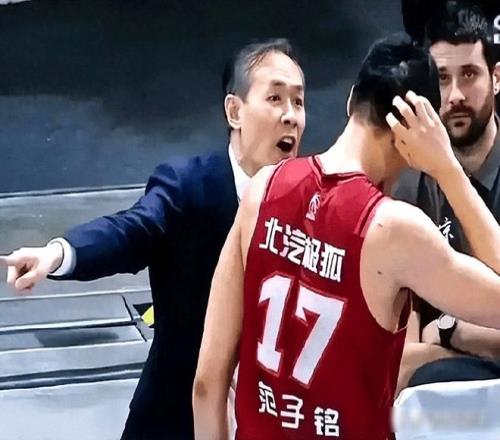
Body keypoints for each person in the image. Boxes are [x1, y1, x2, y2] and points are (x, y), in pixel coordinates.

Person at [192, 34, 500, 440]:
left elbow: (206, 385)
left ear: (351, 98)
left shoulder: (262, 189)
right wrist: (448, 169)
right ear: (418, 131)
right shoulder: (395, 230)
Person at [0, 38, 306, 439]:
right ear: (234, 111)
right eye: (275, 98)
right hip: (174, 417)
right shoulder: (187, 185)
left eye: (298, 102)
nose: (291, 116)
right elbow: (132, 229)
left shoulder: (308, 201)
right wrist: (58, 253)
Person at [395, 2, 500, 394]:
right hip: (440, 388)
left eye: (469, 74)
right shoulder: (409, 185)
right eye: (441, 78)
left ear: (497, 78)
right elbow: (403, 357)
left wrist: (451, 330)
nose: (455, 95)